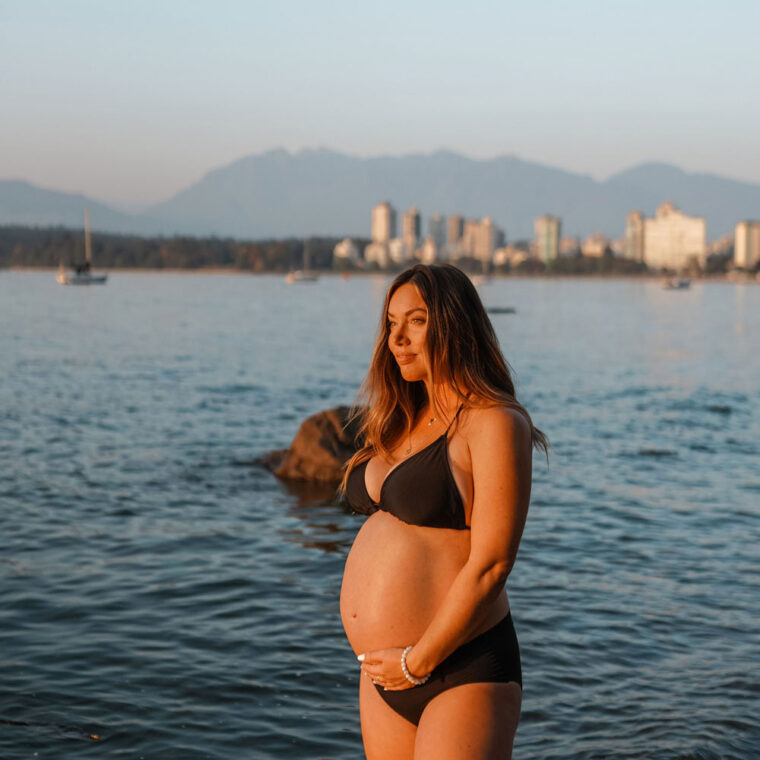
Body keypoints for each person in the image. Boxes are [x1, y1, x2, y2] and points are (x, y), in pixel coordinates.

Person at [338, 263, 547, 760]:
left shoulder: (493, 421)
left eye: (416, 320)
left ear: (453, 323)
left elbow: (492, 565)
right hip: (383, 676)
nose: (397, 339)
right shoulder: (398, 418)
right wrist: (397, 668)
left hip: (458, 669)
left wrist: (417, 662)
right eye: (391, 323)